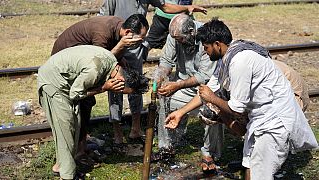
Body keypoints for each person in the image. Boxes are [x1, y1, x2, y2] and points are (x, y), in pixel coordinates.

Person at [165, 18, 318, 179]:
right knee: (250, 163)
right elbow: (209, 90)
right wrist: (181, 112)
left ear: (217, 44)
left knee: (261, 173)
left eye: (206, 47)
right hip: (260, 119)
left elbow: (235, 107)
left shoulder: (240, 62)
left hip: (275, 121)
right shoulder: (226, 58)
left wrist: (213, 100)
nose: (204, 51)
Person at [98, 0, 207, 145]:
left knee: (137, 87)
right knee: (115, 87)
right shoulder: (115, 1)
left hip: (136, 49)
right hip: (117, 45)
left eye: (179, 39)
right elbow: (103, 20)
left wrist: (186, 7)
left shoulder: (204, 36)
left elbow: (165, 6)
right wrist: (160, 75)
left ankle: (136, 129)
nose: (177, 42)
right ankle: (120, 132)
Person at [38, 45, 147, 180]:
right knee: (66, 130)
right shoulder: (95, 70)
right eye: (122, 91)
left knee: (74, 127)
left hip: (65, 82)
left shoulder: (112, 62)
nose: (119, 92)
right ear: (121, 80)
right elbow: (75, 94)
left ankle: (61, 166)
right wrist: (103, 88)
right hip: (54, 83)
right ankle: (67, 176)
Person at [50, 14, 149, 162]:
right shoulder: (102, 33)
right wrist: (121, 46)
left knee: (87, 102)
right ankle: (74, 153)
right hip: (64, 66)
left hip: (83, 63)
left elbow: (109, 58)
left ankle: (81, 146)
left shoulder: (119, 29)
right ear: (128, 33)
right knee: (81, 103)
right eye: (140, 39)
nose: (141, 43)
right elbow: (99, 62)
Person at [153, 14, 223, 173]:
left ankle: (209, 153)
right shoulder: (175, 35)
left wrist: (177, 85)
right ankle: (166, 147)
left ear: (192, 32)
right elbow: (166, 61)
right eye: (176, 39)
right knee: (164, 97)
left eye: (181, 40)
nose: (178, 42)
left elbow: (204, 76)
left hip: (207, 89)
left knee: (214, 109)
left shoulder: (207, 36)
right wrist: (160, 78)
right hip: (182, 86)